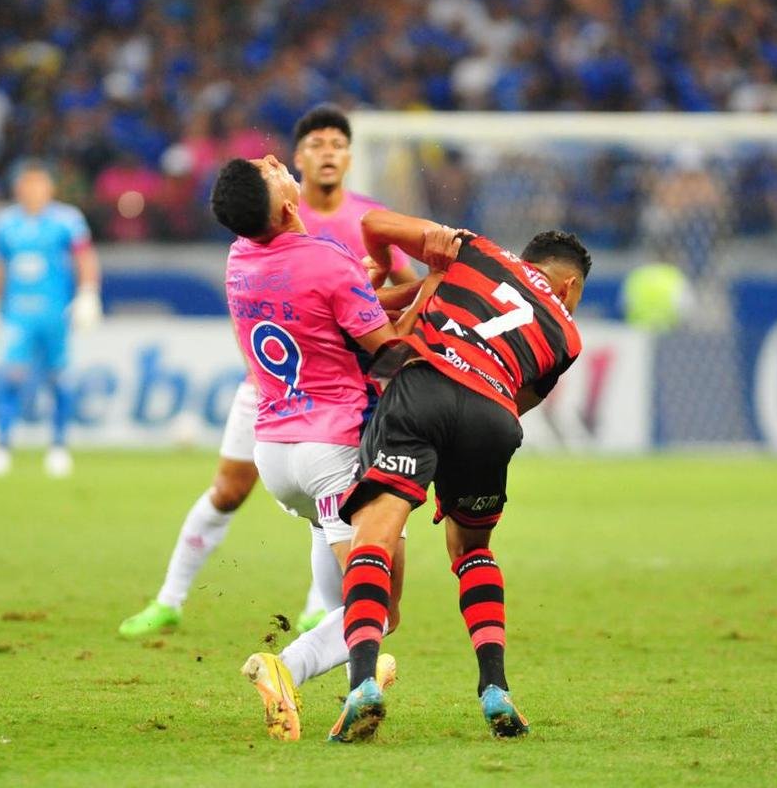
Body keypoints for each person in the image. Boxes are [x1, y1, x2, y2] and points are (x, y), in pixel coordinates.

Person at [118, 105, 416, 640]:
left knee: (322, 511)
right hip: (290, 389)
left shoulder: (362, 218)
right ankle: (173, 601)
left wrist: (373, 294)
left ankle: (323, 622)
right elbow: (381, 335)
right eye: (315, 144)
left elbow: (374, 295)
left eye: (337, 143)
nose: (327, 152)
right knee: (244, 492)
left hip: (310, 392)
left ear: (350, 156)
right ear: (298, 162)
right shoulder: (304, 237)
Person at [212, 155, 453, 741]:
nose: (277, 159)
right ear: (289, 204)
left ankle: (352, 680)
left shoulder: (241, 256)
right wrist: (439, 285)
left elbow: (323, 317)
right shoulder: (324, 259)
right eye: (271, 169)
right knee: (381, 607)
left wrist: (378, 291)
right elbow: (388, 354)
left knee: (346, 589)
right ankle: (284, 667)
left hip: (276, 452)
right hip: (333, 452)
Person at [328, 210, 590, 742]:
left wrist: (381, 268)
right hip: (491, 416)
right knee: (471, 551)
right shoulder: (568, 336)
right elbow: (519, 402)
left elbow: (375, 222)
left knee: (373, 539)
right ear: (570, 285)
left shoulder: (478, 251)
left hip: (423, 387)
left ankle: (362, 686)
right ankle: (495, 688)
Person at [0, 159, 102, 478]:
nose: (32, 190)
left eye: (38, 183)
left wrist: (88, 292)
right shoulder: (6, 223)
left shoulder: (67, 220)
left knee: (58, 378)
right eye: (26, 184)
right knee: (11, 376)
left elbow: (84, 257)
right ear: (18, 188)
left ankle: (58, 447)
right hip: (18, 313)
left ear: (50, 188)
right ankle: (2, 447)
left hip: (55, 312)